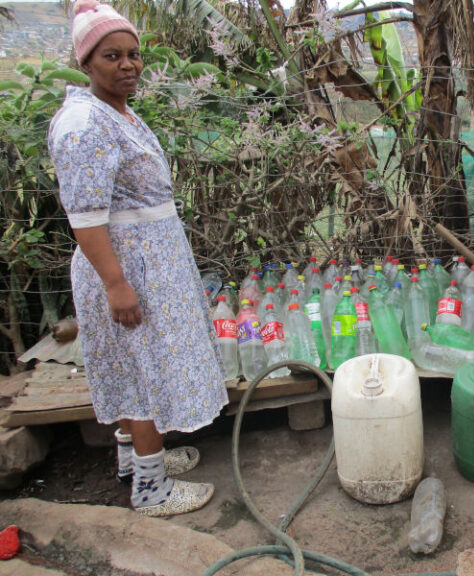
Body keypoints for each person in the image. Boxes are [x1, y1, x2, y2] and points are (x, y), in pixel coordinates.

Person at [48, 0, 229, 517]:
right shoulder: (85, 123)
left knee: (134, 366)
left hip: (146, 263)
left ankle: (137, 463)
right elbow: (84, 216)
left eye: (133, 55)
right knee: (144, 369)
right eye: (112, 55)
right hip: (127, 270)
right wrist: (115, 284)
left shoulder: (115, 112)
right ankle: (152, 492)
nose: (128, 65)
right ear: (86, 61)